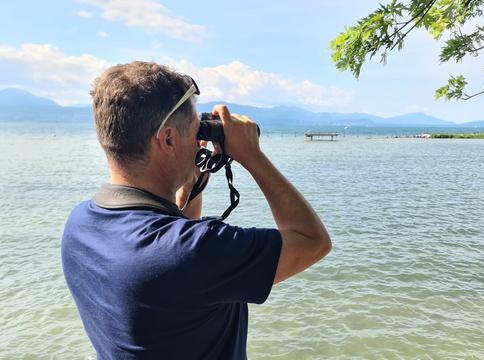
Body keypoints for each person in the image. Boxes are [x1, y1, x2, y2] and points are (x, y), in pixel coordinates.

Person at [61, 61, 331, 359]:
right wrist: (252, 155)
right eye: (194, 131)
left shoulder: (79, 224)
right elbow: (311, 241)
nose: (198, 141)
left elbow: (173, 276)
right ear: (168, 139)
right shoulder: (197, 251)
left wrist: (191, 183)